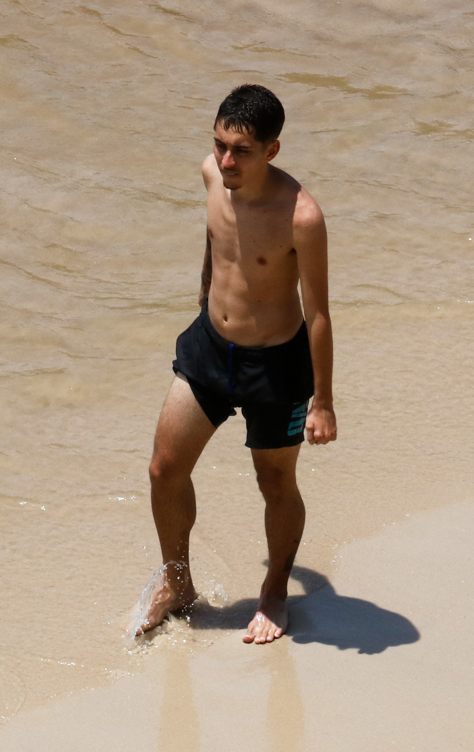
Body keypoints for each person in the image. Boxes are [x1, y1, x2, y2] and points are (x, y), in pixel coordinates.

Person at [136, 83, 337, 644]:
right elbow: (216, 241)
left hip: (276, 367)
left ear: (271, 150)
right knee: (163, 469)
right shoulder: (211, 175)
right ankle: (178, 583)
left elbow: (319, 314)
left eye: (241, 150)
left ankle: (274, 590)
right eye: (220, 144)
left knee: (274, 483)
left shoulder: (302, 216)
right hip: (209, 348)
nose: (226, 160)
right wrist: (204, 297)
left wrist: (323, 402)